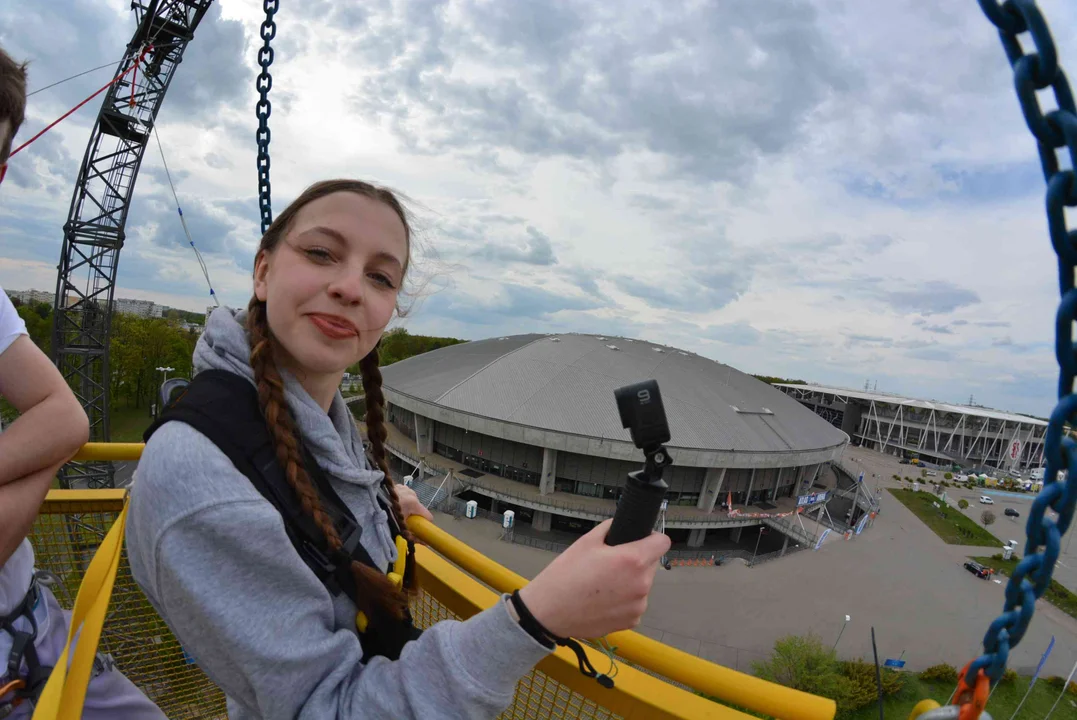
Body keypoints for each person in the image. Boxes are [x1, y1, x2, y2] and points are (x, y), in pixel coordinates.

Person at [126, 179, 672, 719]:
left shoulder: (313, 424)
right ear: (263, 270)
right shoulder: (202, 481)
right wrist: (535, 618)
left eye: (380, 277)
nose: (350, 287)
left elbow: (305, 520)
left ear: (390, 309)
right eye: (321, 253)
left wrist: (378, 510)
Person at [0, 48, 165, 718]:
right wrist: (38, 459)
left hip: (32, 633)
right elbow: (56, 430)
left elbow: (65, 421)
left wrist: (44, 450)